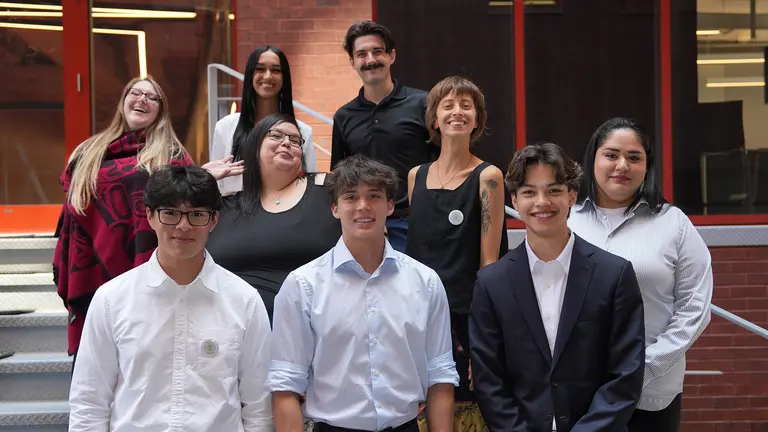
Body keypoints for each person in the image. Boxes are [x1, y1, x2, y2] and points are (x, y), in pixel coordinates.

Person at [54, 76, 243, 365]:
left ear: (160, 110)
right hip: (94, 266)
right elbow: (74, 212)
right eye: (135, 93)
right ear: (124, 100)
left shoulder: (172, 154)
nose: (142, 100)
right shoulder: (88, 152)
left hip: (149, 269)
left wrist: (201, 176)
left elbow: (187, 204)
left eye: (151, 97)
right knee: (96, 368)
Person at [68, 165, 273, 431]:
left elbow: (259, 407)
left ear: (214, 220)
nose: (183, 225)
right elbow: (89, 402)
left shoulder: (244, 301)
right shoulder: (111, 299)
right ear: (150, 216)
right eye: (171, 213)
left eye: (197, 214)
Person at [268, 154, 458, 432]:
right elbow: (286, 386)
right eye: (350, 197)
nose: (363, 206)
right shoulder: (302, 286)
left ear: (390, 205)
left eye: (374, 196)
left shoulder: (425, 282)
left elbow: (440, 378)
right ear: (334, 208)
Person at [469, 143, 645, 432]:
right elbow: (489, 380)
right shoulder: (491, 283)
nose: (542, 202)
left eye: (554, 190)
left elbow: (626, 373)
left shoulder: (614, 274)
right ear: (514, 200)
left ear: (571, 196)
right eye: (529, 192)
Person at [568, 117, 713, 432]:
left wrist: (645, 367)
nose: (622, 165)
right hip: (578, 392)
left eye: (634, 157)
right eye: (611, 155)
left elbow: (695, 307)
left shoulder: (673, 223)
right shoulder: (567, 222)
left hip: (651, 392)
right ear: (593, 159)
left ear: (647, 166)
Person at [405, 76, 506, 430]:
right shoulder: (416, 175)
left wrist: (482, 336)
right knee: (415, 404)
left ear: (477, 119)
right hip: (418, 313)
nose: (457, 112)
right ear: (434, 119)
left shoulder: (488, 176)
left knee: (463, 411)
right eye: (448, 105)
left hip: (465, 317)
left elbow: (489, 263)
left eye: (467, 106)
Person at [206, 113, 341, 322]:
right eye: (276, 136)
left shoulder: (328, 190)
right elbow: (170, 222)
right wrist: (200, 178)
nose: (287, 143)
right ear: (254, 147)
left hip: (313, 330)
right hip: (233, 333)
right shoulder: (225, 205)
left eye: (295, 140)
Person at [331, 21, 437, 252]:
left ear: (392, 56)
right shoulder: (343, 116)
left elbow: (445, 163)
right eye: (361, 54)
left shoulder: (423, 104)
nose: (370, 60)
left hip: (418, 223)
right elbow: (340, 176)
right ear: (353, 62)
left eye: (377, 51)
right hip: (367, 223)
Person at [212, 45, 318, 195]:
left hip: (285, 212)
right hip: (235, 212)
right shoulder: (225, 127)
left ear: (284, 77)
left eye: (276, 70)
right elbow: (215, 183)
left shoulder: (302, 131)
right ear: (250, 74)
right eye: (260, 69)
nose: (268, 76)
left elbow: (310, 181)